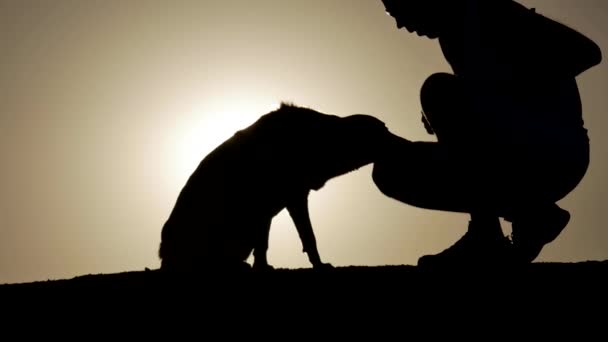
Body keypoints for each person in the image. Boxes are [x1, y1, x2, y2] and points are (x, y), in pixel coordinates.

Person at [373, 0, 602, 267]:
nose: (400, 24)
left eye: (398, 11)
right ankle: (532, 214)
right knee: (392, 169)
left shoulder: (490, 11)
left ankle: (487, 234)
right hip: (508, 158)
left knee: (439, 91)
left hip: (555, 154)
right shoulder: (451, 36)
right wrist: (473, 109)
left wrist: (495, 98)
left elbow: (587, 53)